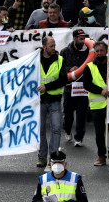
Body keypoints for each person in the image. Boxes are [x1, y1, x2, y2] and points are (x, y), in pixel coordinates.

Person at [82, 41, 109, 166]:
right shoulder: (89, 67)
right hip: (97, 105)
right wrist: (101, 91)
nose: (99, 53)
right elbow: (87, 84)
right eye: (97, 51)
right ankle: (101, 156)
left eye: (102, 51)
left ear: (106, 51)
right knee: (99, 131)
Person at [36, 35, 67, 167]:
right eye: (51, 46)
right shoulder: (36, 59)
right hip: (40, 101)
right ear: (44, 47)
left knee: (55, 129)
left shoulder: (60, 60)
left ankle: (53, 157)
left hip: (54, 100)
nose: (54, 48)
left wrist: (47, 87)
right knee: (41, 130)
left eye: (54, 45)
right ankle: (42, 157)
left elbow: (63, 80)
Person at [62, 29, 91, 147]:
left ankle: (79, 137)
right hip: (69, 88)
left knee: (81, 114)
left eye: (84, 38)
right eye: (80, 38)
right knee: (68, 113)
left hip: (83, 88)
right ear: (74, 38)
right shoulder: (65, 52)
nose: (83, 41)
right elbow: (59, 68)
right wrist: (70, 69)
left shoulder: (88, 52)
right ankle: (67, 130)